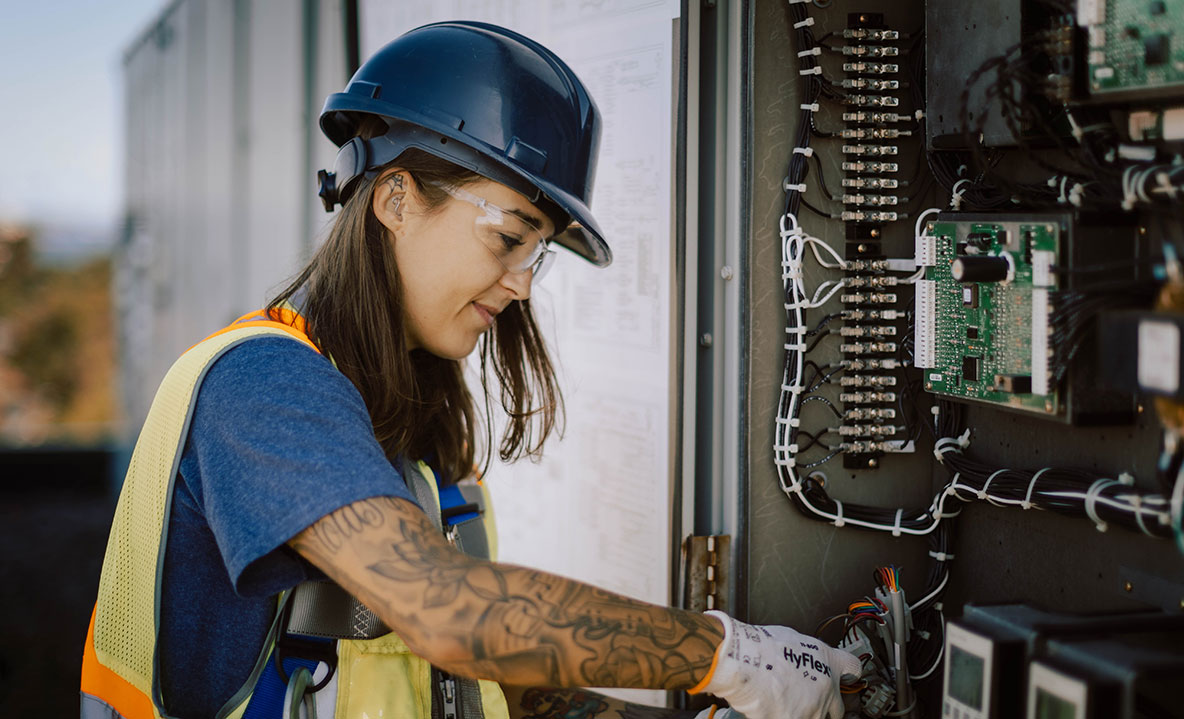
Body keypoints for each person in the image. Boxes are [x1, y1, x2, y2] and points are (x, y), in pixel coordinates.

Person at [81, 20, 860, 719]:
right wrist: (732, 656)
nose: (523, 282)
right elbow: (451, 615)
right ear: (395, 199)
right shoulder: (261, 387)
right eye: (509, 237)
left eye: (538, 254)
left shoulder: (408, 415)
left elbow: (475, 678)